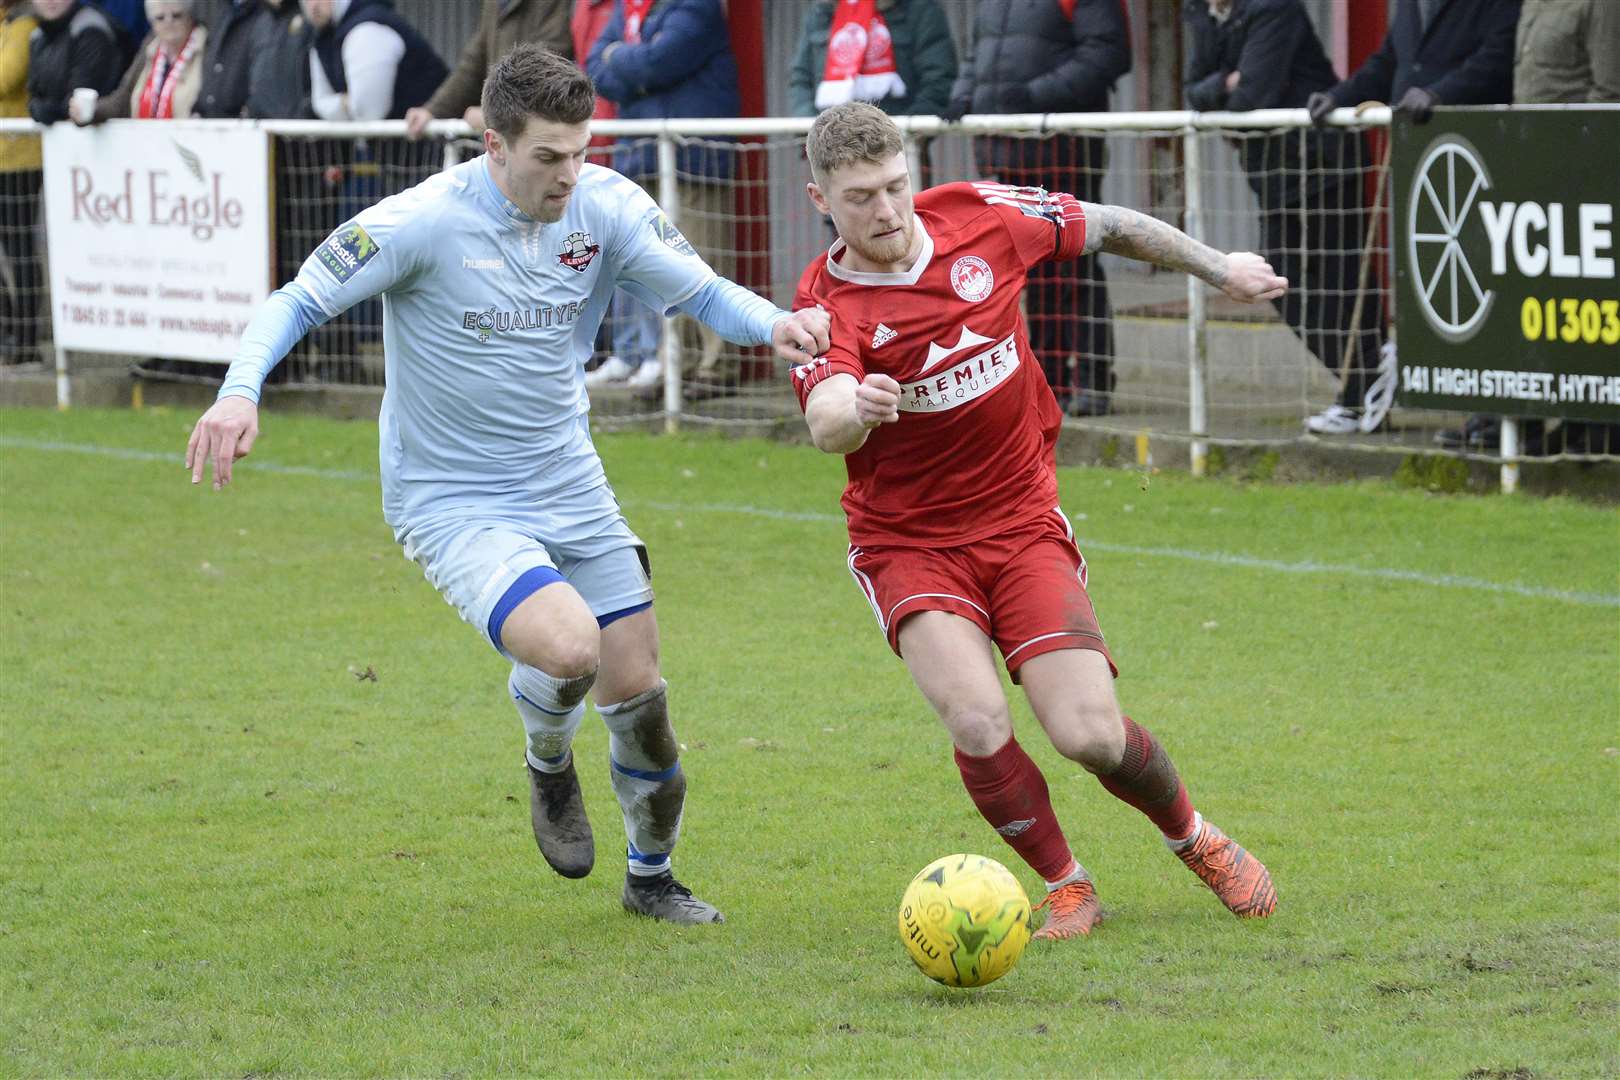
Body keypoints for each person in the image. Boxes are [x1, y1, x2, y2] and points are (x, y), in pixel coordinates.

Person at [184, 44, 831, 924]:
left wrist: (778, 323)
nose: (570, 173)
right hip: (451, 498)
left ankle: (651, 881)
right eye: (547, 157)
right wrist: (236, 393)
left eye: (580, 150)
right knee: (569, 649)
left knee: (644, 706)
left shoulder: (605, 206)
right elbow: (297, 298)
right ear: (493, 145)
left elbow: (705, 292)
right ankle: (548, 759)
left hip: (569, 480)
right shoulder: (421, 221)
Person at [792, 102, 1281, 940]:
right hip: (908, 543)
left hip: (1021, 521)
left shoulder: (981, 216)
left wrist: (1217, 267)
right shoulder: (823, 302)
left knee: (1087, 733)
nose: (887, 210)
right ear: (820, 200)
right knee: (978, 719)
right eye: (862, 195)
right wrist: (860, 408)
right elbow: (826, 417)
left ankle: (1194, 837)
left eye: (897, 185)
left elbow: (1111, 224)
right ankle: (1068, 883)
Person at [1183, 0, 1392, 435]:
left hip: (1324, 161)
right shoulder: (1201, 12)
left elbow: (1250, 97)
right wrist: (1226, 80)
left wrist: (1222, 88)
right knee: (1281, 283)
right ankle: (1370, 381)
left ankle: (1362, 391)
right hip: (1276, 174)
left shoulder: (1274, 7)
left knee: (1340, 280)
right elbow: (1193, 89)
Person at [941, 0, 1130, 417]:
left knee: (1075, 264)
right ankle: (1047, 381)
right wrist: (962, 96)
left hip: (1062, 147)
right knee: (1028, 270)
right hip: (1003, 151)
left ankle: (1092, 382)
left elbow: (1108, 54)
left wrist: (1035, 96)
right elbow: (978, 55)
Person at [585, 0, 739, 396]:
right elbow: (593, 68)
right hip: (642, 152)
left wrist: (621, 59)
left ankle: (716, 366)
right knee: (661, 266)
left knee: (704, 260)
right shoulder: (629, 7)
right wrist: (634, 68)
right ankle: (678, 367)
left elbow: (662, 61)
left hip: (694, 154)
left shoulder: (695, 5)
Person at [403, 0, 571, 139]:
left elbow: (551, 60)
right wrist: (433, 110)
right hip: (508, 136)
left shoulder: (552, 5)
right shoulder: (495, 3)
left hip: (542, 135)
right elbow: (474, 62)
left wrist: (498, 111)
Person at [787, 0, 957, 120]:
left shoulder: (919, 10)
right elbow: (800, 78)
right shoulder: (822, 12)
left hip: (899, 147)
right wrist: (811, 128)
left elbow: (939, 77)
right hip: (829, 148)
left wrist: (907, 131)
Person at [300, 0, 444, 122]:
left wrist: (347, 104)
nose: (312, 6)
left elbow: (369, 112)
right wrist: (347, 103)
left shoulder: (367, 28)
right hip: (394, 146)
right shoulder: (322, 39)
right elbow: (320, 102)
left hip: (426, 145)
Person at [73, 0, 206, 122]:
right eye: (160, 17)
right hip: (145, 143)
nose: (168, 21)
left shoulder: (206, 47)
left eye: (176, 15)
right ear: (152, 23)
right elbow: (122, 100)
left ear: (190, 17)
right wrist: (92, 110)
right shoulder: (149, 49)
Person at [1, 0, 42, 366]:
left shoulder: (23, 26)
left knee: (19, 250)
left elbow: (6, 77)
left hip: (18, 160)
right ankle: (7, 333)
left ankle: (27, 339)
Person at [25, 0, 124, 125]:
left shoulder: (90, 29)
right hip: (58, 135)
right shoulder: (38, 36)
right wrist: (40, 109)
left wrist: (47, 111)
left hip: (98, 135)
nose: (49, 1)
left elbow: (83, 97)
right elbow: (33, 94)